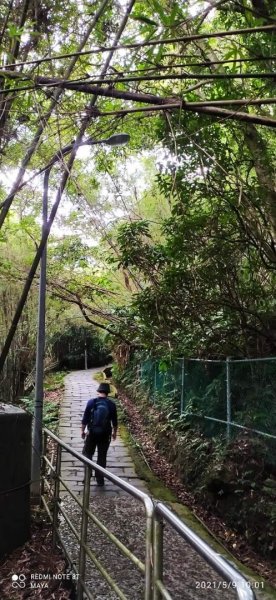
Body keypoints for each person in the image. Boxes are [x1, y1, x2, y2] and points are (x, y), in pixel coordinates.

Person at [81, 382, 117, 486]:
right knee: (102, 456)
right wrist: (114, 433)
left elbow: (85, 419)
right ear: (108, 393)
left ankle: (87, 476)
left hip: (92, 433)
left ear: (98, 391)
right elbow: (114, 422)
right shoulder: (111, 404)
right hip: (105, 434)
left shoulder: (91, 402)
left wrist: (82, 431)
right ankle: (100, 479)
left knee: (87, 454)